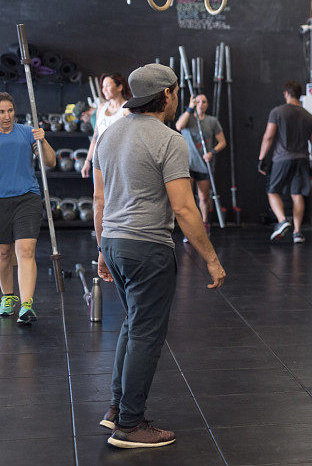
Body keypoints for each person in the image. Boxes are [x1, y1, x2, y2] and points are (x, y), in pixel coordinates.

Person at [92, 64, 225, 448]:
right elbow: (184, 209)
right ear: (165, 94)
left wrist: (102, 248)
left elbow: (99, 201)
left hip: (115, 243)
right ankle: (131, 425)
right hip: (148, 248)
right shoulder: (170, 140)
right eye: (176, 91)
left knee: (133, 325)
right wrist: (212, 259)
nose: (177, 97)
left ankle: (116, 409)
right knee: (147, 334)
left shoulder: (108, 134)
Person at [0, 92, 56, 324]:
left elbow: (50, 162)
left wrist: (42, 141)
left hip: (27, 198)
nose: (7, 116)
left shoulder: (27, 132)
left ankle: (26, 304)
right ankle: (8, 297)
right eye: (1, 112)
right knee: (3, 254)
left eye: (10, 110)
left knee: (25, 250)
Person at [258, 81, 312, 244]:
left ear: (286, 93)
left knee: (272, 191)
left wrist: (262, 158)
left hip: (282, 158)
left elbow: (268, 137)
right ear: (299, 94)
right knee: (297, 194)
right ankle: (297, 232)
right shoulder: (310, 117)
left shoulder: (277, 112)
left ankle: (283, 220)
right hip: (302, 160)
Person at [174, 94, 227, 236]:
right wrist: (190, 109)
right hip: (187, 165)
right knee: (188, 199)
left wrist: (211, 152)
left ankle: (204, 224)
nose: (201, 104)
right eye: (198, 101)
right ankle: (190, 228)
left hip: (204, 165)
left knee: (204, 198)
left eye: (204, 101)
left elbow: (222, 142)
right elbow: (178, 126)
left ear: (207, 105)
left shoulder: (212, 121)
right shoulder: (188, 118)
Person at [80, 73, 132, 178]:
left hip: (118, 164)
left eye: (107, 85)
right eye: (103, 86)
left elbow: (130, 140)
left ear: (120, 87)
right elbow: (96, 137)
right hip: (98, 162)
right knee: (97, 195)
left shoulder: (127, 110)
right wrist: (87, 161)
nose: (104, 89)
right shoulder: (101, 108)